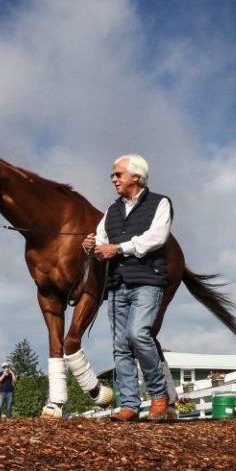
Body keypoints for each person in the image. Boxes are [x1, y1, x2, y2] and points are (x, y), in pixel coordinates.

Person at [84, 153, 173, 422]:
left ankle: (159, 394)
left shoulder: (160, 203)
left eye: (118, 174)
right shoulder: (112, 210)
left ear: (136, 176)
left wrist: (119, 248)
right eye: (112, 175)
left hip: (147, 281)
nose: (113, 179)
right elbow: (102, 240)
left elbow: (156, 238)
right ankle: (130, 405)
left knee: (138, 335)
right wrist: (91, 245)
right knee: (120, 346)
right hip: (116, 285)